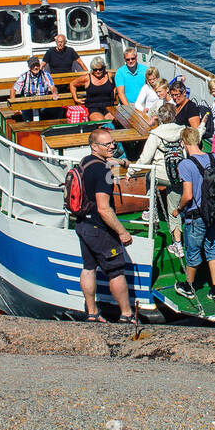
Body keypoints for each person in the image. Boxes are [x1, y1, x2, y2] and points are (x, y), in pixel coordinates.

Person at [74, 128, 138, 325]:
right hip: (99, 228)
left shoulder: (86, 161)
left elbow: (104, 161)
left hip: (83, 223)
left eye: (113, 143)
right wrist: (122, 232)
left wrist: (121, 162)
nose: (112, 146)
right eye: (107, 144)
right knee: (116, 271)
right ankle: (127, 315)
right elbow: (104, 209)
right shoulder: (103, 173)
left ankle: (92, 313)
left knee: (88, 268)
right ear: (95, 146)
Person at [173, 127, 215, 303]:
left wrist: (178, 209)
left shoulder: (185, 164)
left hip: (196, 216)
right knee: (212, 250)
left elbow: (188, 195)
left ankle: (189, 287)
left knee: (193, 252)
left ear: (184, 143)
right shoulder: (214, 158)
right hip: (214, 212)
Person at [134, 103, 185, 246]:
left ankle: (152, 211)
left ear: (159, 118)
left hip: (159, 175)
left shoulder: (155, 134)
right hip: (177, 175)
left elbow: (145, 160)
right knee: (174, 210)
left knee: (148, 177)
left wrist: (131, 171)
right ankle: (178, 245)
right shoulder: (183, 131)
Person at [71, 57, 117, 121]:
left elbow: (116, 85)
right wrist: (76, 98)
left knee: (114, 122)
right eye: (95, 69)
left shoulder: (109, 75)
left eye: (100, 69)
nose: (98, 71)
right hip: (93, 108)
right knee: (101, 123)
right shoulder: (87, 78)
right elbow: (72, 84)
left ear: (104, 68)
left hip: (109, 106)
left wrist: (114, 94)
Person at [10, 55, 51, 120]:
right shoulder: (24, 76)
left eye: (37, 65)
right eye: (33, 66)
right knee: (27, 118)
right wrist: (14, 106)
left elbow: (53, 87)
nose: (35, 67)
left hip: (43, 102)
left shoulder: (45, 75)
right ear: (29, 67)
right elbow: (13, 89)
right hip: (28, 103)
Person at [43, 34, 84, 98]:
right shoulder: (50, 52)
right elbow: (42, 65)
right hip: (55, 82)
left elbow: (81, 63)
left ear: (65, 43)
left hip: (69, 82)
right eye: (59, 42)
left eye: (62, 42)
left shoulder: (70, 51)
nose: (60, 44)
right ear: (56, 43)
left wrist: (88, 74)